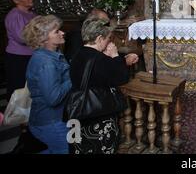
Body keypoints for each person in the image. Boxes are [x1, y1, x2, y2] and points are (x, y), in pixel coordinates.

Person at [69, 18, 138, 154]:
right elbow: (121, 77)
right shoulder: (100, 59)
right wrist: (115, 55)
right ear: (99, 38)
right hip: (97, 114)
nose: (110, 42)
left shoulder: (78, 53)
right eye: (108, 38)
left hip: (78, 113)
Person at [23, 15, 72, 154]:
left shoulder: (52, 54)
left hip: (55, 118)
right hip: (51, 121)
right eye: (57, 31)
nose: (62, 32)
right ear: (44, 38)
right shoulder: (46, 62)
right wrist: (73, 78)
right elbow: (53, 98)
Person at [4, 0, 36, 100]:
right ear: (16, 1)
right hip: (18, 56)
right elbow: (21, 38)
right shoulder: (15, 15)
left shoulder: (31, 14)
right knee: (18, 87)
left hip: (30, 54)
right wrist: (41, 37)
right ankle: (13, 114)